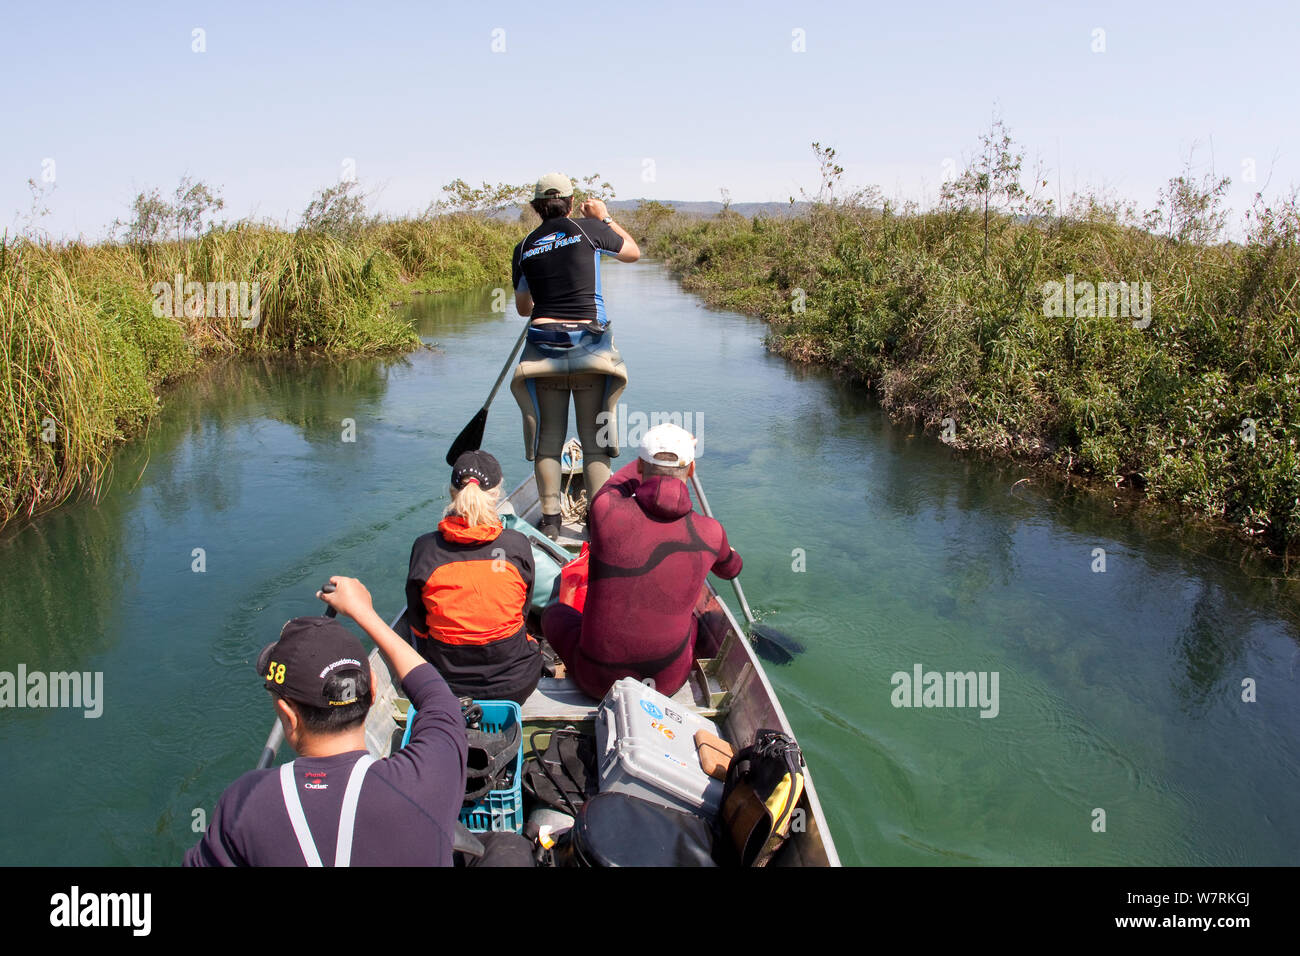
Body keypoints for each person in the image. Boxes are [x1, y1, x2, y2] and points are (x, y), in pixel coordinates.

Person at [184, 576, 467, 866]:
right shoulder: (430, 775)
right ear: (372, 690)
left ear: (288, 717)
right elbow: (437, 696)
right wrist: (363, 612)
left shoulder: (244, 803)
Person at [540, 423, 742, 701]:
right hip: (666, 683)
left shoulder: (605, 510)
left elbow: (618, 483)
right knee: (694, 621)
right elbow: (732, 569)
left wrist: (647, 461)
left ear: (640, 467)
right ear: (691, 470)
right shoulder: (710, 532)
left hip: (596, 680)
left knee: (554, 613)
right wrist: (724, 548)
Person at [509, 171, 641, 540]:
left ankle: (550, 522)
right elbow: (633, 252)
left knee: (548, 438)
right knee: (594, 441)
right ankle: (599, 523)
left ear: (537, 207)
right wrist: (604, 217)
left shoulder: (523, 246)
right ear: (570, 202)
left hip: (543, 348)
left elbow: (524, 308)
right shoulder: (589, 229)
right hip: (590, 350)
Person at [406, 450, 541, 705]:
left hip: (444, 688)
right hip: (515, 685)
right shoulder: (516, 545)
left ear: (451, 492)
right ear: (497, 494)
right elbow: (523, 613)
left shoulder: (425, 548)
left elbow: (418, 626)